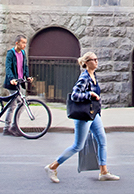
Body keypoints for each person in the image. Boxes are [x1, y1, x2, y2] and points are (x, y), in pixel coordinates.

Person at [45, 52, 119, 183]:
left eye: (97, 59)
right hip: (83, 116)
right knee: (77, 146)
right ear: (86, 63)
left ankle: (103, 172)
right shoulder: (84, 77)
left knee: (102, 140)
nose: (96, 61)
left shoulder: (93, 75)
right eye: (93, 59)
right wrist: (89, 94)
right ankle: (52, 167)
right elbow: (75, 95)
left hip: (93, 114)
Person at [3, 35, 33, 136]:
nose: (25, 45)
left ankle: (12, 127)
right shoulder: (11, 53)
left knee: (18, 104)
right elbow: (8, 67)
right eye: (23, 43)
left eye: (25, 43)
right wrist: (11, 79)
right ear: (17, 43)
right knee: (16, 105)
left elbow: (25, 66)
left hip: (19, 82)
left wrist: (27, 77)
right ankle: (9, 127)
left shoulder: (23, 53)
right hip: (12, 83)